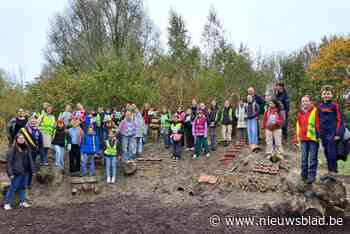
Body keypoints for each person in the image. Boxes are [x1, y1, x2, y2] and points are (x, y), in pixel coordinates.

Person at [4, 134, 35, 210]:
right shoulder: (12, 150)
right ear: (16, 140)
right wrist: (10, 173)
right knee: (13, 188)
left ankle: (22, 202)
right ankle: (7, 203)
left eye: (22, 138)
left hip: (26, 171)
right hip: (17, 173)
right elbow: (9, 163)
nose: (21, 139)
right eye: (19, 138)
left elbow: (30, 160)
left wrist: (32, 170)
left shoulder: (27, 148)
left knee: (23, 187)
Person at [316, 85, 342, 177]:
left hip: (332, 133)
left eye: (328, 94)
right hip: (323, 134)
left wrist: (338, 133)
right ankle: (329, 171)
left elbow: (339, 119)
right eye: (324, 94)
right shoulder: (319, 107)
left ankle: (334, 171)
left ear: (332, 95)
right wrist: (318, 134)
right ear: (321, 95)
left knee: (332, 153)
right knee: (326, 152)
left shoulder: (334, 106)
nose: (326, 95)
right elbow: (317, 121)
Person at [295, 95, 319, 184]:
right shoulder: (300, 113)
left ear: (310, 102)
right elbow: (298, 126)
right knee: (304, 158)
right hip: (303, 138)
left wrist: (319, 136)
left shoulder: (315, 111)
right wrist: (296, 138)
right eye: (303, 101)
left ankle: (311, 176)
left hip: (313, 138)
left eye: (306, 101)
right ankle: (303, 175)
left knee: (313, 158)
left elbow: (318, 124)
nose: (304, 103)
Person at [19, 116, 43, 188]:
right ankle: (20, 183)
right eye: (31, 121)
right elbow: (18, 140)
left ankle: (28, 183)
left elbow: (40, 143)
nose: (33, 122)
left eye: (35, 122)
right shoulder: (23, 130)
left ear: (36, 123)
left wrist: (39, 151)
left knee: (30, 167)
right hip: (24, 151)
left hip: (33, 152)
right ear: (28, 121)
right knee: (22, 167)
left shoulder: (38, 131)